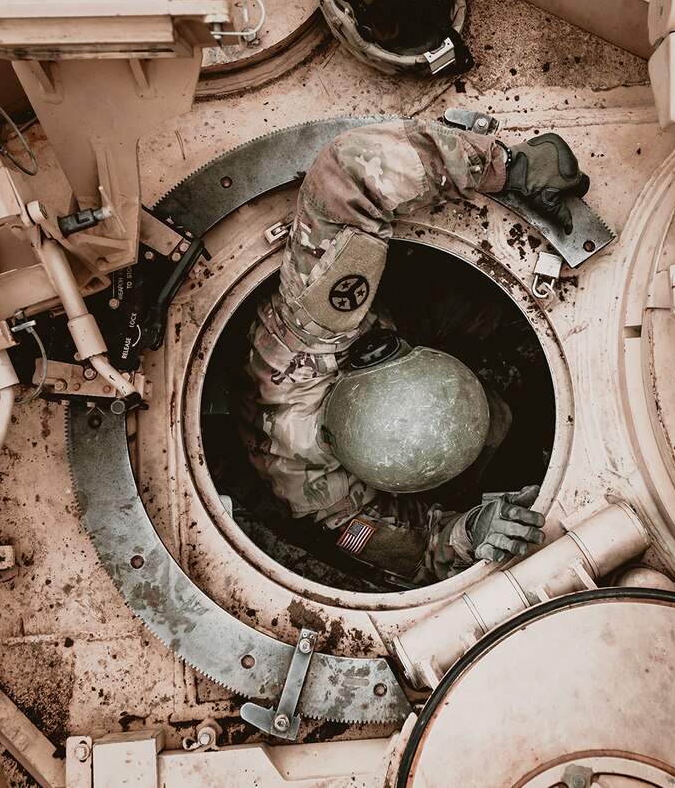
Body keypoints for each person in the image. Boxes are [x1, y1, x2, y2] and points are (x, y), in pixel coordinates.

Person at [240, 120, 589, 583]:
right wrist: (471, 530)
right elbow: (412, 553)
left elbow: (350, 173)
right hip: (317, 386)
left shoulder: (322, 322)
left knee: (479, 312)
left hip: (396, 317)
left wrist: (512, 168)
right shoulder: (319, 490)